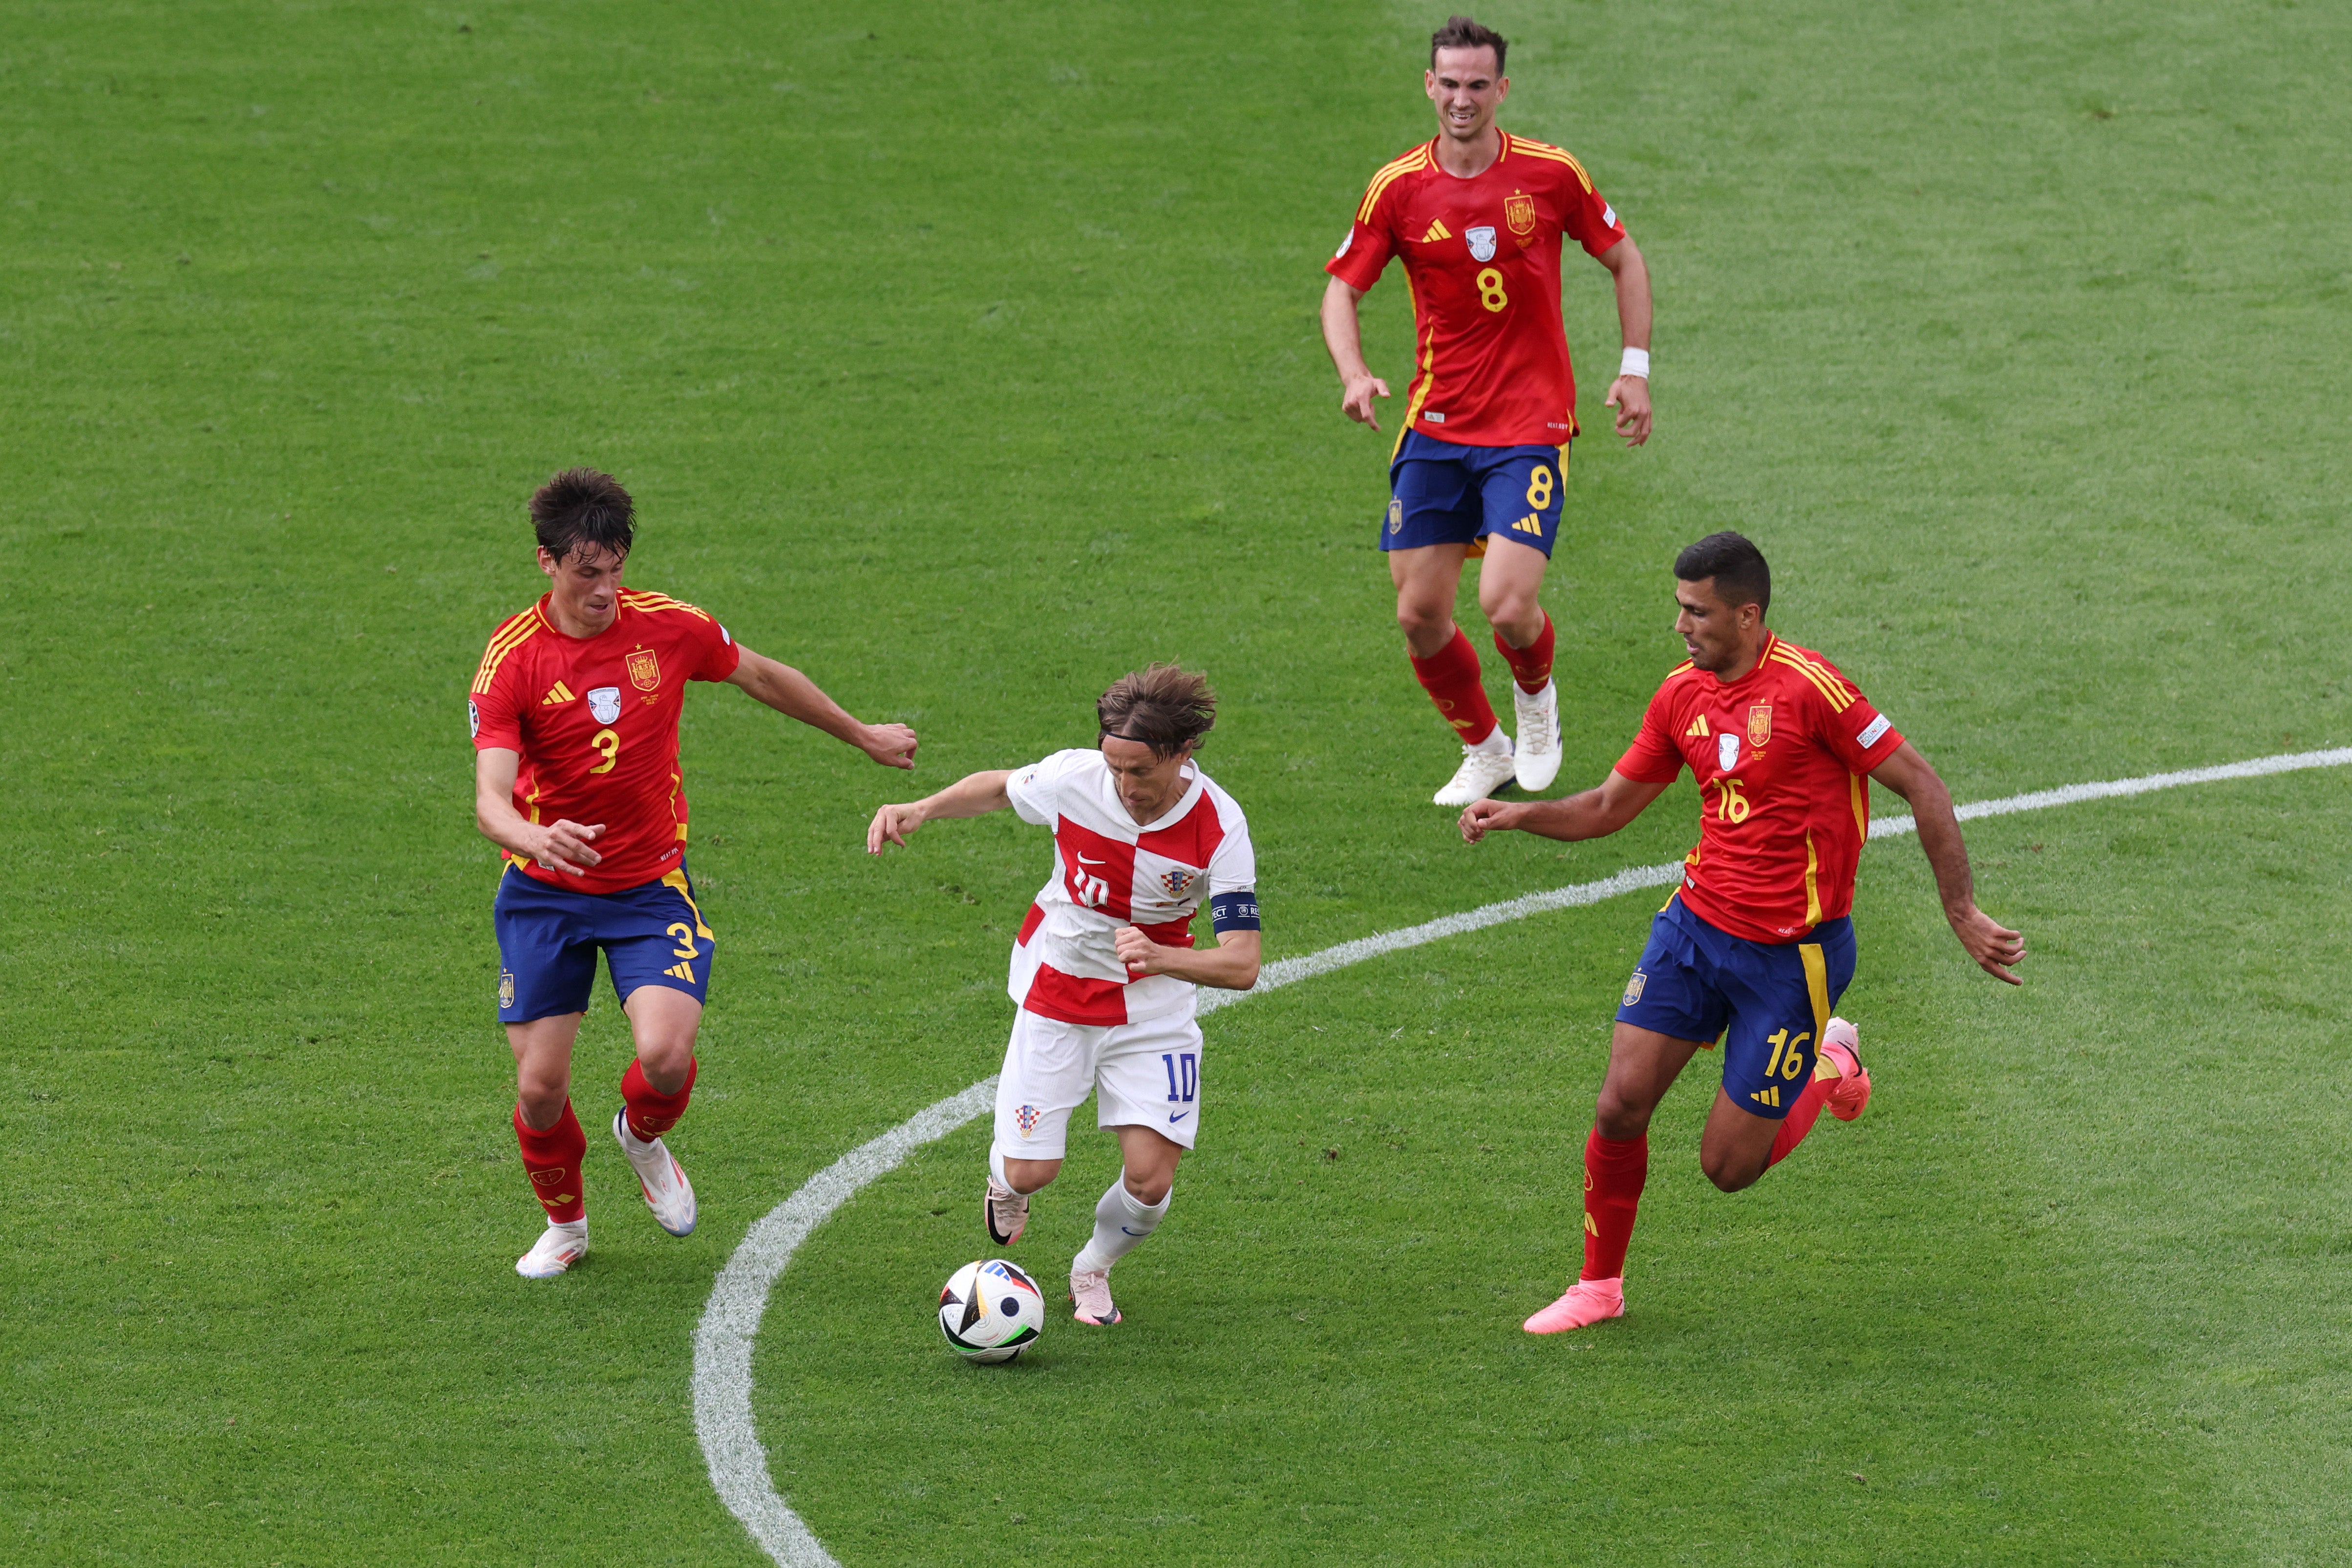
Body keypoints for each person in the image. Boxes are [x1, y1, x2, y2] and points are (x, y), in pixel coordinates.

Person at [1458, 532, 2023, 1333]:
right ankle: (1599, 1285)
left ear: (1748, 614)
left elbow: (1922, 783)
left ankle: (1834, 1058)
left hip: (1791, 963)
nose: (1681, 626)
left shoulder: (1813, 691)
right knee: (1620, 1103)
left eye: (1698, 612)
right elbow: (1610, 807)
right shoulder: (1680, 694)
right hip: (1694, 931)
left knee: (1727, 1168)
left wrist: (1961, 908)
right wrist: (1519, 813)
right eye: (1679, 608)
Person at [470, 468, 918, 1279]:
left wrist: (862, 734)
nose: (606, 589)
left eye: (616, 568)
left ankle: (640, 1137)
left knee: (667, 1057)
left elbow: (759, 675)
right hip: (545, 894)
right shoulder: (513, 659)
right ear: (547, 562)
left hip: (647, 887)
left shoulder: (667, 628)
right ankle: (566, 1227)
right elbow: (491, 802)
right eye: (586, 572)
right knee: (539, 1088)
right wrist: (536, 840)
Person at [1322, 14, 1655, 808]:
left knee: (1506, 601)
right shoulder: (1398, 187)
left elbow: (1623, 256)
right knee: (1419, 613)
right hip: (1436, 425)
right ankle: (1486, 746)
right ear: (1429, 86)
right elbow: (1343, 288)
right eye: (1450, 84)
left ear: (1501, 90)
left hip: (1529, 426)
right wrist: (1355, 372)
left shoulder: (1549, 174)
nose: (1463, 99)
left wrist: (1633, 370)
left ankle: (1537, 703)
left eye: (1479, 85)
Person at [866, 666, 1261, 1327]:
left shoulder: (1220, 827)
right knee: (1030, 1172)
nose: (1125, 786)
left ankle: (1094, 1267)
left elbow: (1243, 962)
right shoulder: (1075, 778)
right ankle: (1005, 1178)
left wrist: (1161, 956)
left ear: (1182, 753)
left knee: (1150, 1180)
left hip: (1152, 1007)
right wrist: (922, 808)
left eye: (1140, 771)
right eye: (1115, 768)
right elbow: (998, 788)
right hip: (1061, 989)